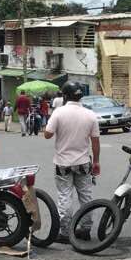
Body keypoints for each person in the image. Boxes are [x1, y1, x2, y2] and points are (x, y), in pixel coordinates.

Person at [43, 81, 100, 244]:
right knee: (86, 197)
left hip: (63, 164)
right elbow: (95, 141)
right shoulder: (90, 115)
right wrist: (96, 162)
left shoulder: (59, 113)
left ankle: (66, 232)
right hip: (83, 163)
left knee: (65, 197)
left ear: (65, 96)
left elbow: (47, 134)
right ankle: (86, 229)